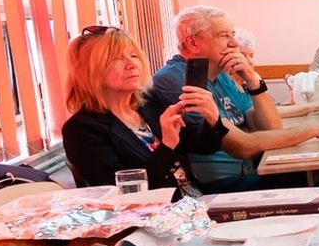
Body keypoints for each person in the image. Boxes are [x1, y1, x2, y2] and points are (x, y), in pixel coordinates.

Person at [143, 6, 319, 190]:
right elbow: (244, 147)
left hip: (248, 171)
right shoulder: (175, 80)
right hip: (217, 188)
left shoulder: (221, 76)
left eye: (233, 34)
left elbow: (270, 128)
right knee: (317, 173)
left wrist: (253, 81)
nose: (234, 43)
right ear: (192, 43)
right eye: (223, 35)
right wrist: (313, 130)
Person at [60, 26, 232, 189]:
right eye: (116, 59)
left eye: (134, 56)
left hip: (194, 197)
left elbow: (203, 147)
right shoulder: (81, 129)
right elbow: (124, 194)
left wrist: (212, 120)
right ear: (89, 71)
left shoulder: (150, 102)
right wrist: (167, 144)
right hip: (158, 214)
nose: (132, 64)